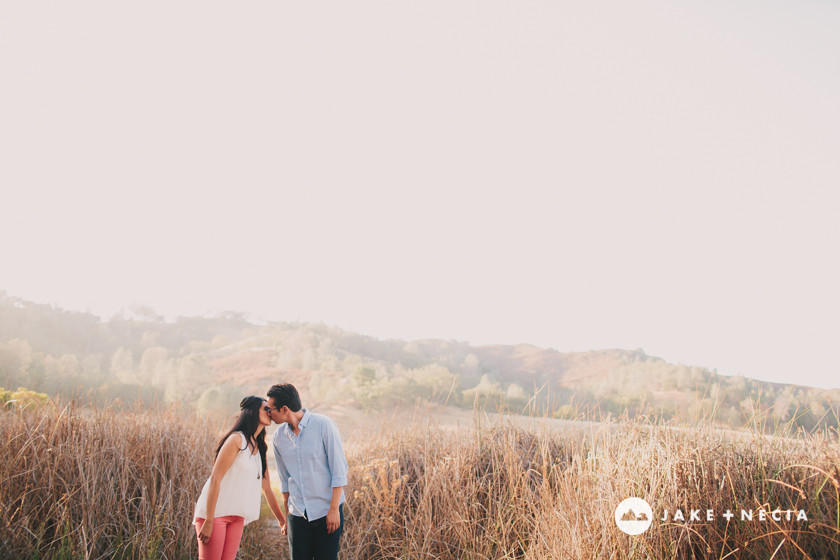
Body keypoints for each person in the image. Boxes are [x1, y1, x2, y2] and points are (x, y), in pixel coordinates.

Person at [193, 396, 287, 560]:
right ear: (252, 412)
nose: (269, 412)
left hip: (237, 516)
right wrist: (208, 520)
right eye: (265, 408)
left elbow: (267, 489)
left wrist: (281, 520)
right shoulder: (236, 440)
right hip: (215, 514)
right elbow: (215, 478)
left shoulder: (261, 448)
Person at [266, 383, 348, 560]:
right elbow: (285, 481)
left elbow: (339, 472)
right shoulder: (278, 438)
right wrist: (287, 516)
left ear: (285, 409)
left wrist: (334, 510)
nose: (268, 414)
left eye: (270, 409)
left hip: (326, 511)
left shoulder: (324, 426)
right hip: (297, 513)